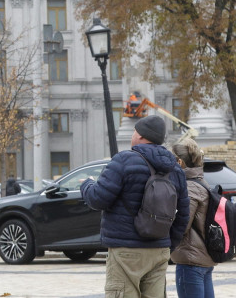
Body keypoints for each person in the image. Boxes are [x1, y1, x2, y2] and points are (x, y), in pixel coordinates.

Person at [80, 115, 190, 298]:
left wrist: (86, 185)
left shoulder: (123, 160)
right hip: (159, 251)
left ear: (140, 136)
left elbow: (98, 199)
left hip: (126, 251)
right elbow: (184, 215)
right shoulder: (175, 169)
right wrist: (168, 245)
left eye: (134, 131)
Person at [169, 139, 216, 297]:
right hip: (204, 257)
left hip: (190, 259)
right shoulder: (202, 182)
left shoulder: (189, 188)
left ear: (179, 162)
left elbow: (182, 224)